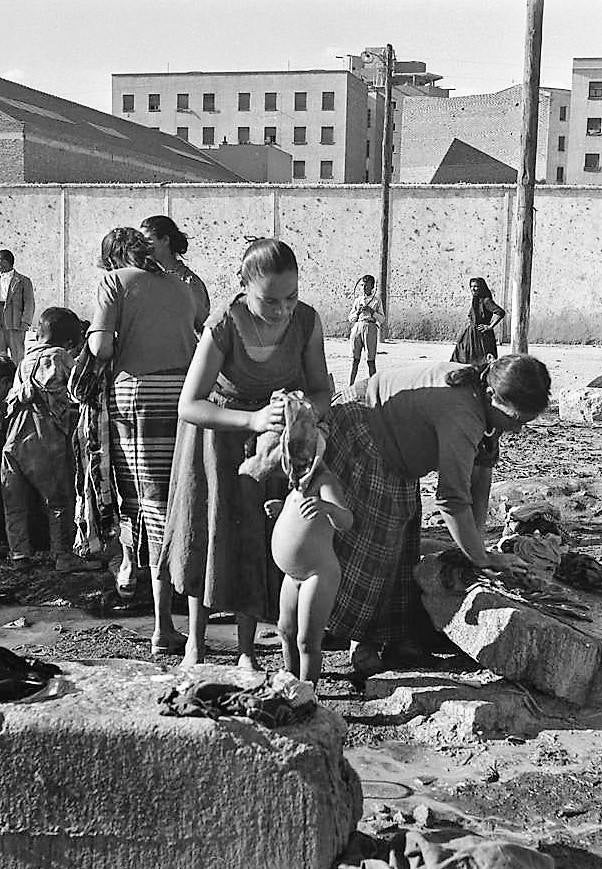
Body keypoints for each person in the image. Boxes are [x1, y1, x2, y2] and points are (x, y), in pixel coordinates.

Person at [158, 238, 332, 669]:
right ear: (244, 285)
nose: (283, 309)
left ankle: (246, 651)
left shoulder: (307, 321)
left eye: (291, 297)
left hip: (273, 449)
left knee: (257, 537)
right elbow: (190, 404)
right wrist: (252, 420)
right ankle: (196, 645)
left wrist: (307, 409)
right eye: (270, 300)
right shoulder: (222, 325)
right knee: (210, 534)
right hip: (216, 442)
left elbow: (322, 389)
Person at [324, 355, 551, 677]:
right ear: (491, 396)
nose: (518, 428)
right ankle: (359, 640)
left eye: (525, 422)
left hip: (393, 439)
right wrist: (482, 557)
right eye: (516, 419)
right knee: (378, 544)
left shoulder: (484, 402)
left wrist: (477, 548)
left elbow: (480, 476)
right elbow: (451, 498)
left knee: (404, 540)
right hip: (363, 427)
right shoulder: (463, 413)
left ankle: (394, 636)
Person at [87, 227, 202, 655]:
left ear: (114, 258)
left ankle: (162, 626)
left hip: (137, 395)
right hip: (183, 394)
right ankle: (146, 582)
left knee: (145, 501)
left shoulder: (113, 282)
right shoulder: (180, 283)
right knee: (172, 495)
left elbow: (100, 348)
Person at [1, 307, 101, 573]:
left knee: (15, 503)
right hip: (44, 438)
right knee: (59, 500)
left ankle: (20, 555)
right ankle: (63, 556)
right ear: (70, 342)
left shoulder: (23, 362)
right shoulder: (60, 356)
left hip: (13, 441)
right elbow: (81, 386)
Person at [264, 392, 352, 685]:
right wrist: (281, 508)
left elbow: (346, 520)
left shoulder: (324, 481)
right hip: (293, 574)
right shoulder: (297, 483)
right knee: (285, 631)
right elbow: (297, 515)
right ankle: (290, 680)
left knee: (306, 639)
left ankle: (308, 691)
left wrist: (327, 507)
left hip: (318, 573)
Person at [140, 215, 210, 333]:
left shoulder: (189, 282)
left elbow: (203, 327)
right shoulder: (143, 278)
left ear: (165, 240)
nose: (142, 247)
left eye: (148, 241)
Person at [451, 277, 505, 365]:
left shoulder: (486, 301)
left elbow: (500, 312)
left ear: (481, 288)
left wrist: (490, 326)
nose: (473, 288)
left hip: (481, 336)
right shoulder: (476, 300)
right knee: (462, 358)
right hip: (471, 335)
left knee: (482, 362)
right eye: (471, 286)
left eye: (476, 286)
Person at [348, 274, 384, 385]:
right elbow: (351, 318)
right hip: (357, 327)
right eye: (363, 285)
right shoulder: (358, 300)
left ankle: (374, 387)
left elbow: (382, 319)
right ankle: (350, 385)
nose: (364, 288)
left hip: (370, 327)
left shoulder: (376, 301)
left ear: (372, 286)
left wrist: (372, 311)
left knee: (370, 360)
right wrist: (358, 312)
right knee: (355, 360)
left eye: (367, 285)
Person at [0, 249, 35, 364]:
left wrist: (25, 322)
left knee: (17, 356)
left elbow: (29, 303)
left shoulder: (23, 281)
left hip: (15, 323)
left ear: (7, 262)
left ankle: (17, 379)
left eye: (0, 261)